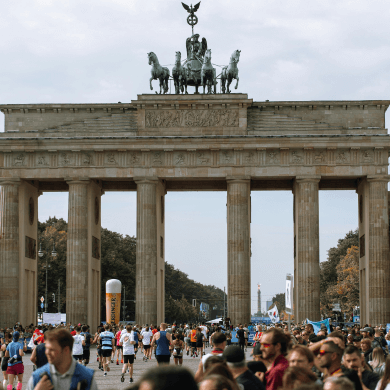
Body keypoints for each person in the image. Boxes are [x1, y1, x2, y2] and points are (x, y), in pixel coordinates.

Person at [27, 328, 97, 390]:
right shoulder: (37, 377)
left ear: (66, 350)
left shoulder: (86, 377)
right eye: (47, 349)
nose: (47, 352)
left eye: (52, 349)